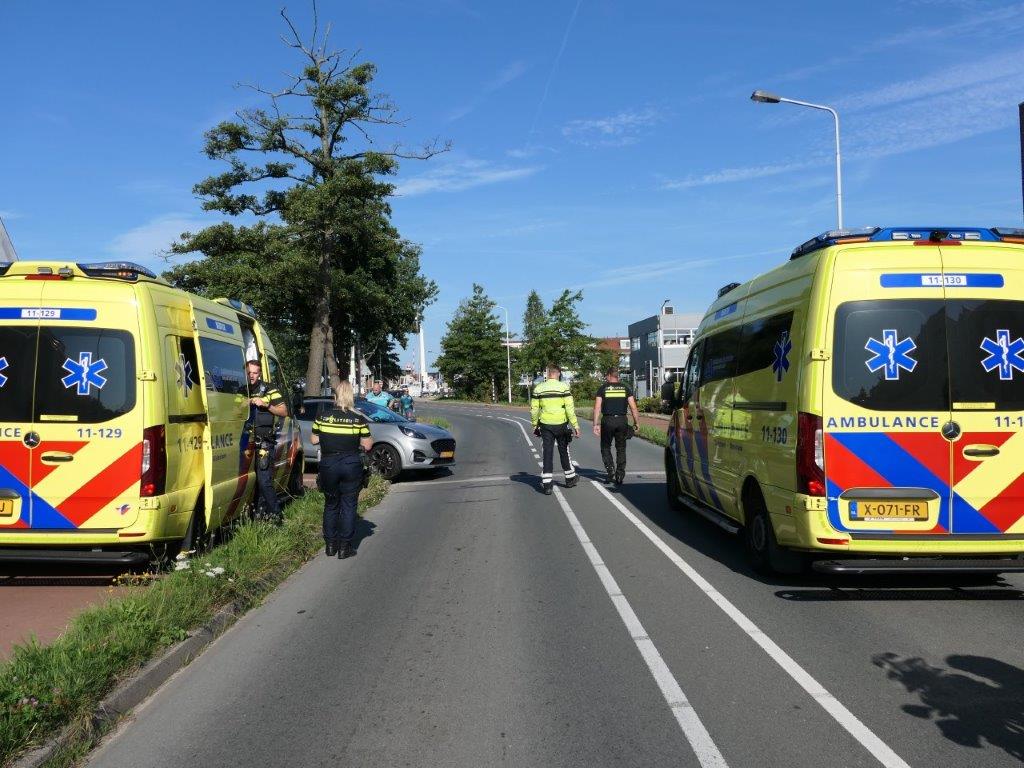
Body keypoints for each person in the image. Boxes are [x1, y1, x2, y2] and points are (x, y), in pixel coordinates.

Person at [311, 380, 373, 559]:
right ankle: (345, 548)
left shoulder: (323, 417)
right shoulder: (358, 419)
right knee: (348, 505)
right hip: (351, 465)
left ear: (335, 397)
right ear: (351, 397)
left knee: (331, 504)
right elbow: (368, 445)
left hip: (329, 464)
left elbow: (314, 440)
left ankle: (330, 546)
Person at [246, 360, 289, 523]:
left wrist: (266, 404)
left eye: (255, 373)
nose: (251, 376)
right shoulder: (242, 389)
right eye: (249, 373)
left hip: (264, 442)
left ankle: (276, 514)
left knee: (264, 480)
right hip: (246, 442)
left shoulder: (270, 389)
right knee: (251, 481)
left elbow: (284, 411)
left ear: (260, 374)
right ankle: (259, 514)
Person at [530, 364, 580, 495]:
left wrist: (535, 425)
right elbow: (569, 408)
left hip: (546, 425)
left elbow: (534, 409)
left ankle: (547, 484)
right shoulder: (564, 387)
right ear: (558, 373)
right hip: (562, 424)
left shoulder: (539, 388)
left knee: (547, 452)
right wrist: (575, 425)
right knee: (564, 451)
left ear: (548, 373)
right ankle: (570, 478)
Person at [593, 368, 641, 486]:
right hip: (622, 420)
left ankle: (610, 470)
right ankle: (620, 475)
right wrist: (636, 422)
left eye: (606, 376)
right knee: (621, 448)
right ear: (617, 376)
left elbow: (597, 407)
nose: (605, 378)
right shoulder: (626, 388)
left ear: (609, 376)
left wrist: (595, 424)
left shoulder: (603, 388)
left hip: (607, 420)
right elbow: (633, 407)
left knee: (605, 446)